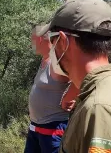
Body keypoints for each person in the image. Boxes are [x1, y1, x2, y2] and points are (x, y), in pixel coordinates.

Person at [42, 0, 111, 153]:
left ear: (62, 42)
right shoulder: (104, 94)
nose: (50, 50)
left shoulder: (102, 110)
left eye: (51, 41)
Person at [24, 24, 79, 153]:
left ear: (38, 39)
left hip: (52, 130)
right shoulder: (45, 60)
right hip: (35, 128)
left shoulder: (57, 62)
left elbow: (82, 79)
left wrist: (70, 96)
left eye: (31, 39)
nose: (30, 43)